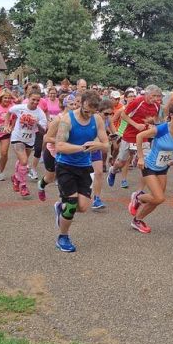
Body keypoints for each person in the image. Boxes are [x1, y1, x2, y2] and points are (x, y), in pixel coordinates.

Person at [53, 89, 110, 252]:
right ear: (80, 103)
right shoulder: (67, 120)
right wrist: (82, 148)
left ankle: (61, 208)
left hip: (84, 167)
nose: (88, 115)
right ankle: (63, 237)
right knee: (71, 204)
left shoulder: (97, 119)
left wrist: (98, 145)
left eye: (92, 112)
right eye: (86, 111)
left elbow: (106, 144)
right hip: (65, 166)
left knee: (83, 207)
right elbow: (59, 146)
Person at [128, 101, 173, 234]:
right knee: (159, 197)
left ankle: (137, 219)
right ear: (171, 116)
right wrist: (140, 157)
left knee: (157, 200)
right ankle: (138, 198)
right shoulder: (161, 129)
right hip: (149, 166)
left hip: (163, 167)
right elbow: (139, 136)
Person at [107, 85, 164, 189]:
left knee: (146, 163)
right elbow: (123, 115)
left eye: (158, 96)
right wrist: (135, 125)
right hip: (130, 135)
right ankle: (113, 171)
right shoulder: (137, 102)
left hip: (143, 137)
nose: (156, 99)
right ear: (147, 94)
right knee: (121, 162)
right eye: (153, 96)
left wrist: (151, 122)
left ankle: (140, 191)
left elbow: (155, 119)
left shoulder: (157, 106)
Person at [38, 93, 80, 202]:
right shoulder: (58, 119)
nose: (75, 106)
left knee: (65, 178)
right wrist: (61, 141)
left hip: (65, 153)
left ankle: (64, 201)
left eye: (76, 104)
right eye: (71, 104)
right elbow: (47, 138)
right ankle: (41, 185)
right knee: (50, 178)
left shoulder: (75, 119)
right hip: (52, 152)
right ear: (65, 105)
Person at [8, 88, 47, 198]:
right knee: (24, 161)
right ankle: (23, 185)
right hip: (17, 137)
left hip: (30, 139)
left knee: (22, 162)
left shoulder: (40, 113)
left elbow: (43, 131)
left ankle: (16, 178)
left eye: (37, 100)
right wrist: (7, 124)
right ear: (28, 98)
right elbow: (9, 112)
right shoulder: (20, 108)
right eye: (33, 99)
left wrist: (37, 123)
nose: (35, 102)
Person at [90, 98, 117, 211]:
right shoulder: (92, 119)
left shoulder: (108, 119)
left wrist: (114, 138)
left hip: (97, 148)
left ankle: (96, 199)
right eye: (106, 113)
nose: (108, 115)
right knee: (81, 174)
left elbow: (114, 132)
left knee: (99, 173)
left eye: (111, 113)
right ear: (98, 111)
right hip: (86, 148)